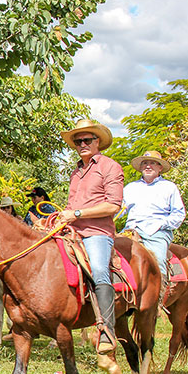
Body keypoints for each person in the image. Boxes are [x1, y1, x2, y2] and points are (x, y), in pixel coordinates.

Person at [56, 118, 124, 354]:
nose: (82, 144)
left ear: (98, 142)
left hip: (97, 232)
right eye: (77, 141)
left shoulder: (110, 167)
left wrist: (76, 213)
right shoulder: (76, 172)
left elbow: (113, 206)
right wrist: (62, 218)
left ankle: (106, 330)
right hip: (72, 232)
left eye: (87, 140)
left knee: (98, 269)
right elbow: (71, 204)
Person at [123, 150, 185, 301]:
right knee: (114, 257)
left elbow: (179, 214)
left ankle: (157, 299)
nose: (148, 166)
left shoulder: (169, 187)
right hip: (131, 230)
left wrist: (160, 224)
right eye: (145, 163)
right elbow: (118, 208)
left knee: (157, 260)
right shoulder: (130, 187)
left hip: (157, 232)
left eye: (152, 163)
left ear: (160, 168)